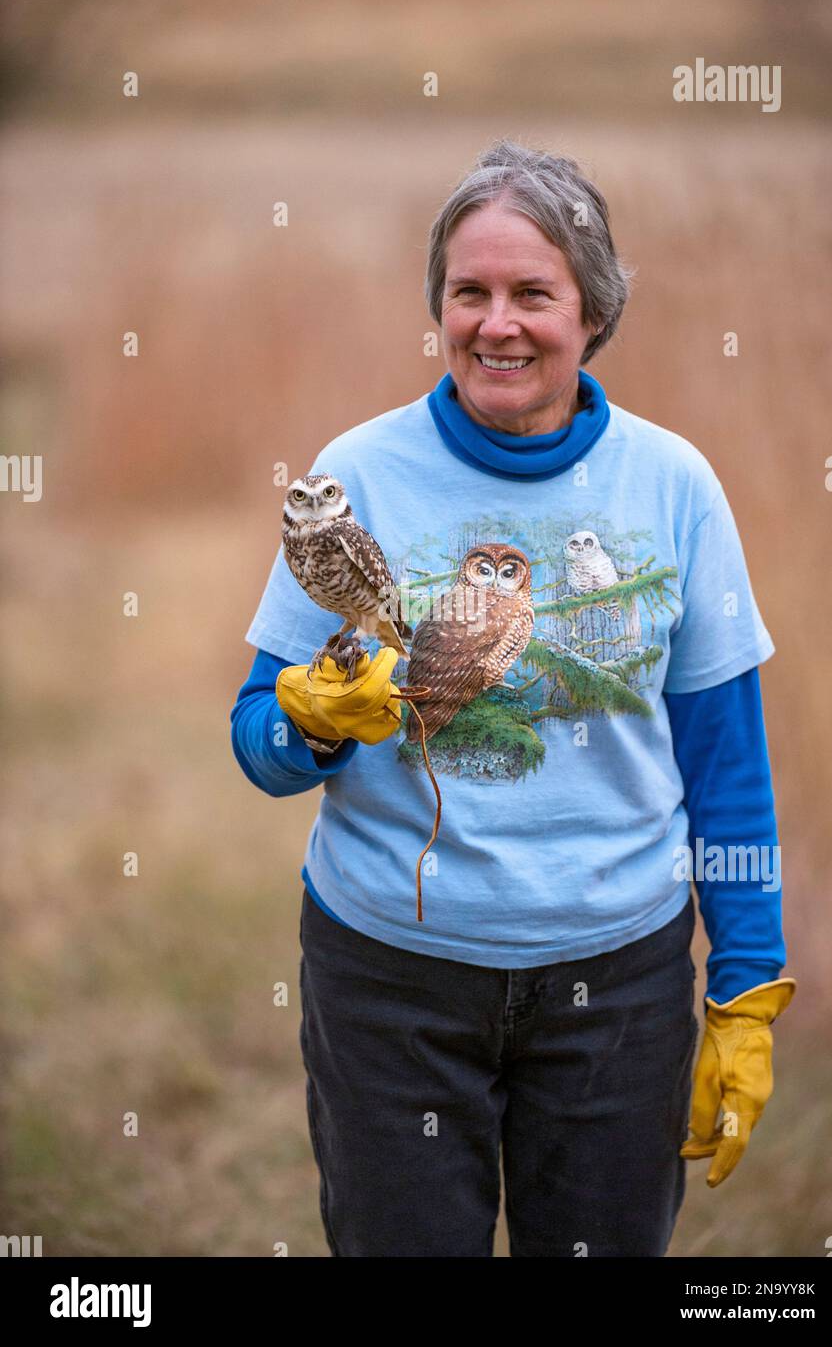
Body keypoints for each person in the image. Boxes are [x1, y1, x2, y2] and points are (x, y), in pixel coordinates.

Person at [230, 139, 796, 1258]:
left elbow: (726, 767)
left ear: (593, 311)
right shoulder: (358, 474)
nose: (496, 323)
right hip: (389, 982)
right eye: (467, 292)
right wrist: (311, 721)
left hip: (619, 992)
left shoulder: (672, 484)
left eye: (532, 292)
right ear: (437, 306)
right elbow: (257, 742)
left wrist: (744, 988)